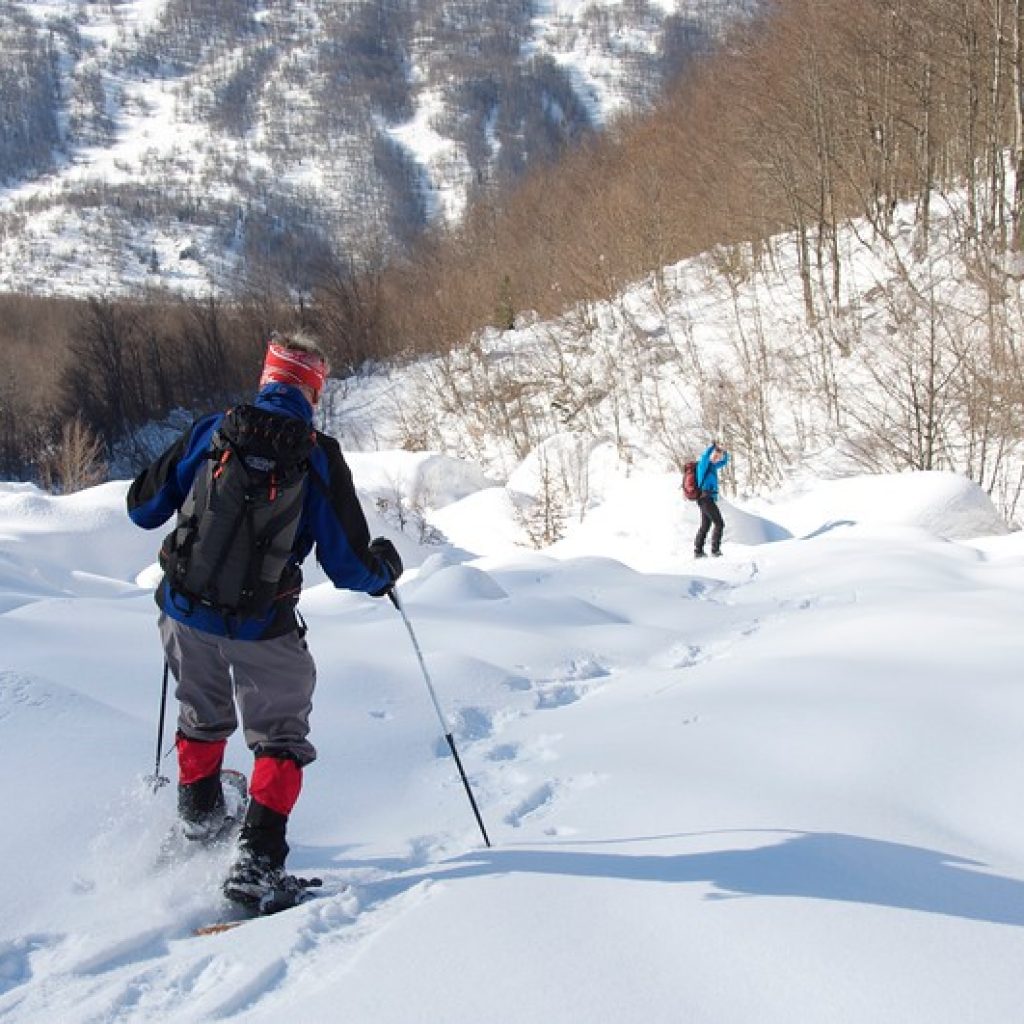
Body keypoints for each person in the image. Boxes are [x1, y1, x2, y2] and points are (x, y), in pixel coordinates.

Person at [127, 330, 403, 908]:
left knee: (201, 717)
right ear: (313, 390)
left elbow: (141, 507)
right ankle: (257, 863)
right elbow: (350, 567)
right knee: (279, 735)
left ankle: (200, 822)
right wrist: (385, 571)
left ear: (266, 377)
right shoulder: (317, 456)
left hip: (184, 613)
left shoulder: (213, 430)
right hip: (263, 625)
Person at [694, 441, 729, 558]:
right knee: (719, 523)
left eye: (718, 456)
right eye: (715, 455)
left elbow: (724, 462)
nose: (716, 458)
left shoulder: (713, 466)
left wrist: (725, 452)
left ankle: (698, 551)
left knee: (705, 526)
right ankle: (715, 550)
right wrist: (712, 447)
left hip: (708, 499)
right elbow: (704, 457)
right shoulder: (703, 466)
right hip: (705, 499)